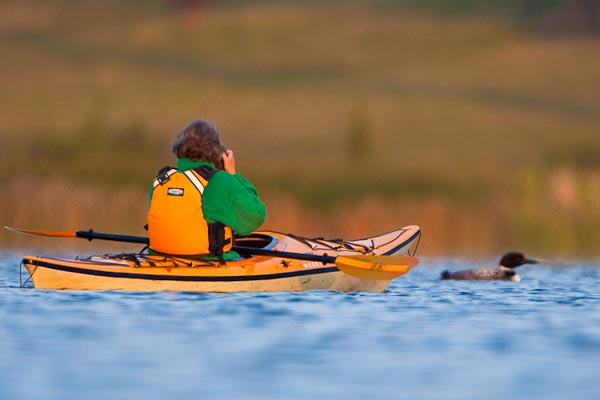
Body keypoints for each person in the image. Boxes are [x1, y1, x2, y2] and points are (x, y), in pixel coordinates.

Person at [147, 120, 266, 260]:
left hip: (158, 260)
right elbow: (256, 216)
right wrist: (233, 173)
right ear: (216, 151)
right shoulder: (220, 181)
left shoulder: (162, 181)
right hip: (206, 262)